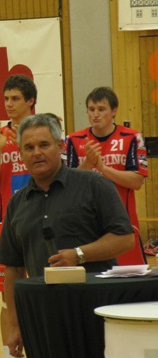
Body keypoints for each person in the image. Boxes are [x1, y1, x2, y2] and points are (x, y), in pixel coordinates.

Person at [0, 113, 135, 358]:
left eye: (44, 145)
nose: (36, 153)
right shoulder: (17, 204)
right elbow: (13, 270)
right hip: (43, 318)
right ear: (20, 154)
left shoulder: (93, 185)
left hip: (96, 312)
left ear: (60, 146)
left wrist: (79, 254)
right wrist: (16, 325)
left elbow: (125, 238)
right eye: (29, 147)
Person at [0, 74, 36, 358]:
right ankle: (8, 354)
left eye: (15, 99)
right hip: (6, 227)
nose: (9, 104)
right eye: (6, 99)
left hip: (41, 225)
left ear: (31, 101)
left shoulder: (44, 135)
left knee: (43, 291)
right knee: (6, 298)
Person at [63, 86, 148, 265]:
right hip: (86, 229)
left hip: (123, 226)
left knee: (132, 280)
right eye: (91, 109)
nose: (95, 114)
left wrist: (102, 168)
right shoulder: (73, 140)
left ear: (114, 110)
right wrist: (88, 163)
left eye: (101, 109)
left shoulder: (132, 138)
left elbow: (137, 181)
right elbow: (67, 185)